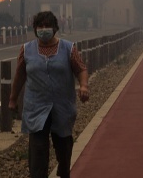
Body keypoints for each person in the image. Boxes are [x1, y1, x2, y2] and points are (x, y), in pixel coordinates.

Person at [9, 11, 89, 178]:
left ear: (55, 28)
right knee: (38, 150)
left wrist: (83, 86)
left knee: (64, 146)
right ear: (35, 28)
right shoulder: (26, 50)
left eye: (47, 26)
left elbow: (81, 68)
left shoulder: (68, 48)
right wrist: (13, 99)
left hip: (62, 106)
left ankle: (63, 168)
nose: (44, 29)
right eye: (40, 26)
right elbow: (20, 76)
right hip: (36, 107)